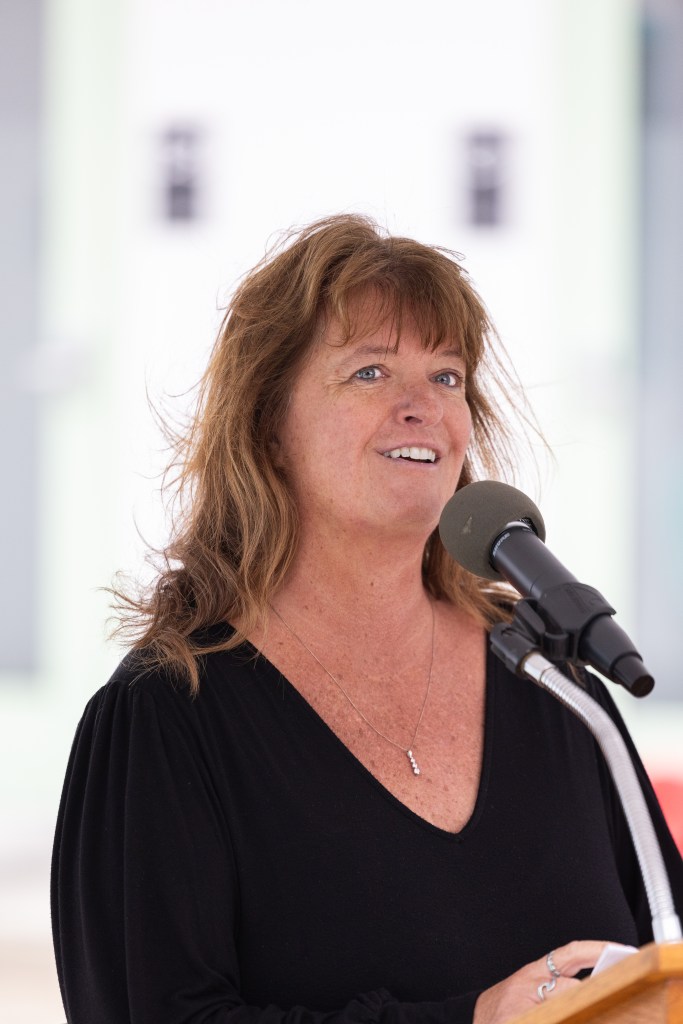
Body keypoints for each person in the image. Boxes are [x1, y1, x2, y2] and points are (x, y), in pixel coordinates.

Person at [51, 215, 683, 1024]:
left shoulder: (552, 683)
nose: (422, 407)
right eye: (370, 372)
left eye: (447, 376)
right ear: (267, 428)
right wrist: (475, 1019)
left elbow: (665, 959)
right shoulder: (164, 717)